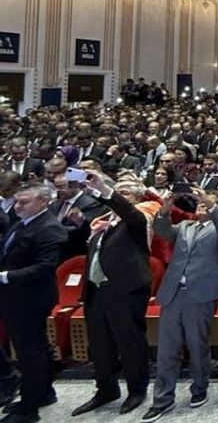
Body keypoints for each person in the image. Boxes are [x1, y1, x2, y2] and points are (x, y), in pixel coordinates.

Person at [142, 188, 218, 423]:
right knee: (166, 349)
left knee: (197, 345)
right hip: (174, 293)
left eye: (206, 203)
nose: (201, 205)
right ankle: (162, 399)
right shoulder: (185, 226)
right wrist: (163, 212)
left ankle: (200, 387)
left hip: (202, 293)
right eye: (199, 203)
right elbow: (162, 230)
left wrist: (212, 204)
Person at [72, 175, 152, 417]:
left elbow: (129, 213)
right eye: (118, 192)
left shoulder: (139, 219)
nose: (119, 196)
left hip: (125, 289)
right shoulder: (102, 222)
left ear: (137, 198)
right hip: (96, 289)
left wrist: (105, 190)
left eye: (125, 193)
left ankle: (137, 390)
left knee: (129, 341)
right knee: (99, 343)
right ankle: (106, 389)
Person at [0, 184, 67, 423]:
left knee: (30, 352)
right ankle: (43, 393)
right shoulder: (22, 222)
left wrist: (5, 276)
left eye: (24, 202)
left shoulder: (49, 228)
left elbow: (45, 267)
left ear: (43, 202)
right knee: (37, 347)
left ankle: (30, 407)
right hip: (15, 297)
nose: (17, 206)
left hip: (30, 298)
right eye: (17, 201)